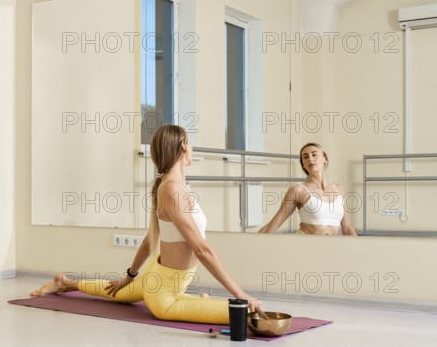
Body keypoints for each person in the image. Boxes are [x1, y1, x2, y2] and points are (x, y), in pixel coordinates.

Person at [30, 124, 264, 323]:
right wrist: (242, 294)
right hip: (165, 298)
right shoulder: (172, 190)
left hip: (158, 275)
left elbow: (149, 241)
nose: (192, 148)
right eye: (190, 143)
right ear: (183, 146)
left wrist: (130, 275)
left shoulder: (172, 188)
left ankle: (65, 283)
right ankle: (68, 284)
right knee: (245, 314)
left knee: (119, 292)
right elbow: (202, 250)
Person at [258, 143, 357, 236]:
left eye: (314, 155)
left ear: (325, 159)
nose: (310, 158)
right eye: (305, 157)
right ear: (303, 165)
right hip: (305, 245)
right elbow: (271, 227)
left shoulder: (338, 188)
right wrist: (251, 243)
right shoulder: (298, 191)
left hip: (330, 246)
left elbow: (347, 228)